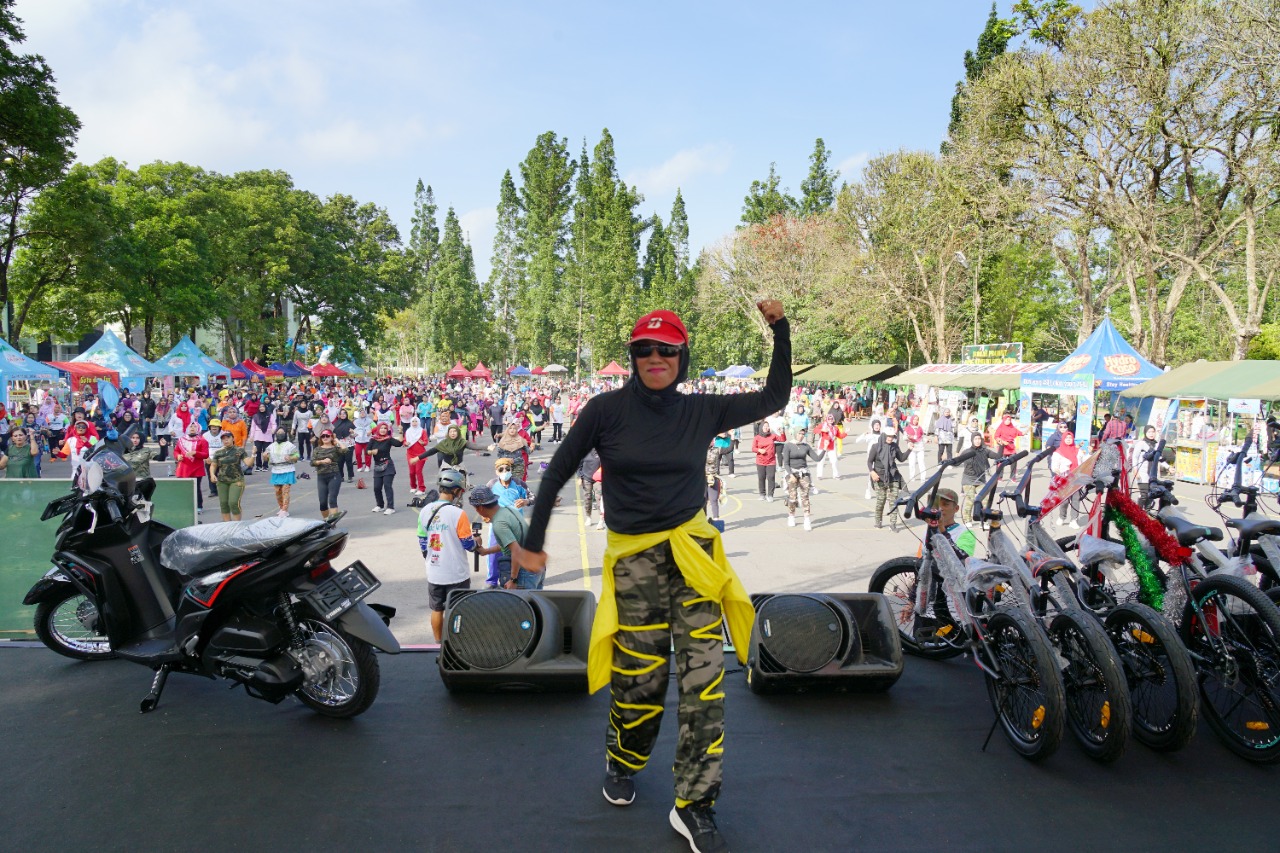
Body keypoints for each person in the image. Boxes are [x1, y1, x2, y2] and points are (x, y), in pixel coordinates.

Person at [518, 300, 789, 852]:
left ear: (682, 356)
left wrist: (780, 329)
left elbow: (774, 397)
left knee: (704, 684)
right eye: (644, 348)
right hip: (635, 565)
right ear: (633, 356)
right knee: (640, 681)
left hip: (693, 560)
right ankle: (623, 760)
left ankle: (695, 805)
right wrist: (534, 542)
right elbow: (559, 470)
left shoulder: (702, 410)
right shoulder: (605, 410)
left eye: (667, 349)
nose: (655, 357)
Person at [417, 469, 476, 641]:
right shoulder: (458, 513)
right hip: (456, 572)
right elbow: (468, 544)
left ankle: (438, 643)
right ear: (456, 490)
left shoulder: (425, 510)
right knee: (457, 609)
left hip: (435, 571)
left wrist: (430, 558)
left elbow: (422, 541)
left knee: (437, 609)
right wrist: (476, 543)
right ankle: (455, 642)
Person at [471, 484, 538, 589]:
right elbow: (509, 543)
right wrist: (486, 551)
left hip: (525, 570)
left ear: (480, 508)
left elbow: (516, 550)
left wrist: (513, 579)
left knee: (519, 600)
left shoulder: (499, 523)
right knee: (534, 599)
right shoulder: (509, 511)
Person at [779, 428, 824, 531]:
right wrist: (791, 475)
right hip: (791, 473)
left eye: (803, 434)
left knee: (805, 497)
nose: (801, 435)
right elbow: (786, 463)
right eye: (799, 433)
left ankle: (807, 520)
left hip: (803, 472)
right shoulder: (788, 445)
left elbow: (817, 458)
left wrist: (824, 448)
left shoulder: (805, 446)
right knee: (793, 497)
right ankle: (791, 516)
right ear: (795, 434)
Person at [868, 421, 910, 530]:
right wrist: (872, 472)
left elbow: (901, 458)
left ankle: (893, 524)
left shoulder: (894, 446)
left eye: (892, 436)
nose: (890, 438)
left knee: (894, 501)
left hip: (893, 476)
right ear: (883, 435)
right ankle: (878, 521)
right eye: (888, 436)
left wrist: (909, 449)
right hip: (879, 477)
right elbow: (869, 461)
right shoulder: (875, 447)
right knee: (881, 501)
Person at [959, 432, 1002, 520]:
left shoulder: (985, 451)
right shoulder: (967, 452)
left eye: (979, 439)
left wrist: (1001, 446)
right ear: (972, 440)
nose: (978, 441)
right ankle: (967, 519)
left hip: (980, 480)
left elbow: (998, 456)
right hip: (968, 480)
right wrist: (949, 461)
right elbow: (957, 462)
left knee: (985, 500)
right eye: (975, 439)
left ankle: (984, 519)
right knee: (970, 500)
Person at [209, 432, 249, 521]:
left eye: (228, 438)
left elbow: (248, 463)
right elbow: (213, 465)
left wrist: (254, 455)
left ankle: (237, 524)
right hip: (222, 480)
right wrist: (212, 474)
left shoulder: (239, 450)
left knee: (233, 503)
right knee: (223, 504)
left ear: (233, 438)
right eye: (223, 439)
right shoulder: (218, 452)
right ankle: (227, 525)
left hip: (236, 480)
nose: (226, 440)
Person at [310, 429, 348, 522]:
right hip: (321, 477)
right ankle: (326, 521)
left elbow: (345, 450)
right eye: (323, 436)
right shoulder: (317, 449)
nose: (325, 438)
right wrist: (322, 461)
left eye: (327, 436)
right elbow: (312, 462)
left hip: (334, 475)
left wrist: (337, 440)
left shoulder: (335, 449)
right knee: (322, 502)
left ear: (331, 437)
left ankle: (332, 522)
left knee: (332, 499)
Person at [367, 422, 403, 515]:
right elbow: (367, 451)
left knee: (387, 486)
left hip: (388, 465)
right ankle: (380, 505)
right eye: (381, 428)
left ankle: (390, 507)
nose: (383, 430)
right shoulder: (373, 439)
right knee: (377, 487)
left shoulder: (388, 439)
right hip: (378, 466)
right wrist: (372, 452)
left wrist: (400, 432)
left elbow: (399, 443)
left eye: (385, 428)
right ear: (378, 429)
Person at [174, 422, 210, 514]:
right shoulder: (181, 440)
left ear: (198, 429)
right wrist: (178, 456)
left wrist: (195, 453)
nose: (192, 428)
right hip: (184, 467)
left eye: (194, 426)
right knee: (184, 488)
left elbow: (205, 454)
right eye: (190, 426)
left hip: (196, 468)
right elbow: (176, 451)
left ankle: (198, 506)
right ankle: (185, 506)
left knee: (196, 488)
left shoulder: (202, 441)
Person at [1050, 430, 1081, 527]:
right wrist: (1061, 472)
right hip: (1064, 479)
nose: (1068, 439)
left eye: (1070, 438)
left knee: (1076, 500)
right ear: (1063, 439)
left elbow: (1083, 463)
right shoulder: (1058, 452)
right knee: (1065, 500)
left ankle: (1073, 520)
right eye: (1066, 438)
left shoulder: (1078, 451)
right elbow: (1054, 467)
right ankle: (1062, 517)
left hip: (1076, 479)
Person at [266, 429, 300, 517]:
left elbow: (297, 456)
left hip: (287, 469)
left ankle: (285, 509)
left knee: (285, 490)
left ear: (285, 434)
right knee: (277, 491)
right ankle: (281, 507)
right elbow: (266, 457)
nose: (280, 434)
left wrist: (291, 458)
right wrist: (265, 456)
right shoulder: (271, 446)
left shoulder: (290, 445)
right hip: (276, 470)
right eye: (278, 433)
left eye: (282, 433)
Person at [993, 413, 1024, 481]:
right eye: (1007, 420)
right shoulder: (1000, 427)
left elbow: (1019, 433)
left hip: (1011, 447)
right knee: (1001, 462)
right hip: (1003, 447)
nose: (1008, 421)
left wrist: (1025, 432)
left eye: (1009, 420)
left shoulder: (1012, 427)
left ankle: (1012, 477)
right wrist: (1001, 441)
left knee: (1014, 461)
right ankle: (999, 476)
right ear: (1004, 420)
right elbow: (996, 436)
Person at [857, 418, 882, 499]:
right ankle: (868, 490)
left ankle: (880, 491)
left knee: (880, 474)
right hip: (871, 458)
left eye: (878, 425)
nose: (877, 426)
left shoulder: (882, 435)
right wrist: (864, 434)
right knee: (871, 474)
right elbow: (857, 441)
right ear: (872, 426)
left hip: (880, 458)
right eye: (875, 425)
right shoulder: (869, 435)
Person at [577, 448, 603, 526]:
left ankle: (601, 518)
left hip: (598, 478)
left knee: (599, 497)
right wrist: (580, 477)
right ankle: (588, 517)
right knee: (587, 498)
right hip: (586, 478)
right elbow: (579, 465)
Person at [752, 422, 777, 502]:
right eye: (764, 426)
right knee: (761, 478)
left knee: (771, 477)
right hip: (760, 461)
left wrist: (782, 432)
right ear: (761, 428)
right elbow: (753, 448)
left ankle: (770, 495)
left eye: (767, 426)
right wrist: (759, 450)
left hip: (771, 460)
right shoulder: (757, 437)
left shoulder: (772, 436)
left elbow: (782, 439)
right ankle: (762, 494)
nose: (766, 428)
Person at [813, 413, 842, 480]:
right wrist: (822, 430)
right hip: (823, 445)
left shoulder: (835, 427)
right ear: (826, 419)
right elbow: (815, 430)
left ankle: (836, 475)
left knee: (834, 461)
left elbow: (840, 436)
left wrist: (846, 432)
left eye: (831, 419)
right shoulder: (823, 425)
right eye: (829, 419)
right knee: (820, 460)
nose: (830, 420)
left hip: (831, 445)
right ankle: (819, 475)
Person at [904, 414, 926, 483]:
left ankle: (923, 478)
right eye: (914, 419)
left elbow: (922, 437)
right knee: (912, 463)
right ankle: (912, 477)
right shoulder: (908, 428)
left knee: (921, 463)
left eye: (917, 419)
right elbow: (904, 437)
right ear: (912, 419)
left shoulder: (920, 428)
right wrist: (908, 438)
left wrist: (927, 440)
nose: (915, 421)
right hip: (912, 447)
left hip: (920, 447)